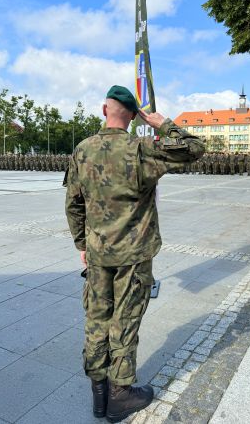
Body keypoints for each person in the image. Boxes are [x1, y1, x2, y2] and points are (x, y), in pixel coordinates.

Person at [65, 85, 205, 422]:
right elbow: (195, 148)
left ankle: (99, 394)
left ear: (104, 110)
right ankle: (121, 394)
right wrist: (162, 124)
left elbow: (73, 205)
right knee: (124, 321)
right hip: (134, 254)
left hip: (98, 254)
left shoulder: (82, 150)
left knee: (96, 319)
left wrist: (82, 245)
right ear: (133, 116)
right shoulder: (141, 149)